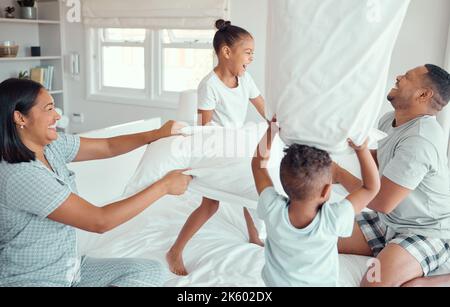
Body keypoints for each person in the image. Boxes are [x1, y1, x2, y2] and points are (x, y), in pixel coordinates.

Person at [0, 78, 193, 287]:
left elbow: (108, 146)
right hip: (34, 279)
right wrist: (164, 187)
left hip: (70, 269)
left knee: (150, 271)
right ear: (20, 118)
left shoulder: (50, 146)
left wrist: (155, 134)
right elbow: (100, 221)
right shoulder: (20, 174)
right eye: (49, 109)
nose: (57, 116)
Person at [166, 19, 267, 276]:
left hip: (239, 146)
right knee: (211, 204)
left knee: (249, 188)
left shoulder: (245, 79)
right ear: (226, 52)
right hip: (219, 151)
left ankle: (255, 236)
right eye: (248, 53)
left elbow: (264, 108)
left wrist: (280, 124)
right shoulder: (209, 86)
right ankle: (175, 250)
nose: (251, 59)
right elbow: (204, 128)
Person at [336, 64, 450, 287]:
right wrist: (344, 150)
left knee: (372, 284)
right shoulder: (390, 120)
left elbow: (381, 201)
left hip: (427, 231)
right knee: (315, 236)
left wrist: (339, 174)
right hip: (389, 222)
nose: (398, 77)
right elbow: (386, 158)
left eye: (407, 77)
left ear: (424, 94)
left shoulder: (421, 140)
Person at [251, 122, 380, 286]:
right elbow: (371, 188)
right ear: (326, 191)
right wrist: (361, 150)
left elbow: (258, 165)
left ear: (283, 184)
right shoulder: (334, 219)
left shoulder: (271, 207)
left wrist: (271, 130)